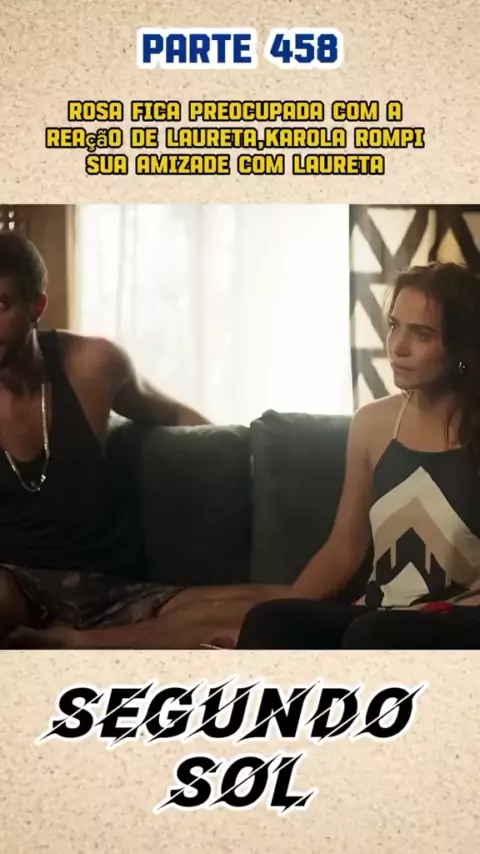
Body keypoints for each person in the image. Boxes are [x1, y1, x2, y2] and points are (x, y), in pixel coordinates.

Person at [0, 230, 284, 649]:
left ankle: (81, 644)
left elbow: (172, 413)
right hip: (15, 585)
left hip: (114, 586)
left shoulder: (92, 366)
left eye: (1, 306)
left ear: (36, 307)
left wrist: (248, 463)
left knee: (280, 604)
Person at [234, 260, 480, 649]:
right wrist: (287, 610)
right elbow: (344, 548)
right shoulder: (372, 424)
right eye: (394, 326)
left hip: (462, 619)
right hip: (382, 614)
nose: (398, 347)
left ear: (461, 346)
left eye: (422, 334)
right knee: (267, 620)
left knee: (369, 632)